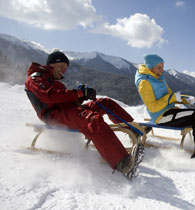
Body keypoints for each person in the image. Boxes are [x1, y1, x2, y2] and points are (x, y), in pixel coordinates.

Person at [25, 50, 144, 180]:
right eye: (62, 66)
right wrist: (79, 93)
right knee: (92, 120)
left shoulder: (53, 79)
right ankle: (122, 163)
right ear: (51, 65)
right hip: (53, 114)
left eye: (66, 68)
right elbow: (49, 96)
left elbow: (64, 98)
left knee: (106, 102)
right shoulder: (35, 78)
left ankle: (133, 130)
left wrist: (83, 95)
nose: (64, 70)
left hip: (67, 110)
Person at [135, 54, 195, 165]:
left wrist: (185, 99)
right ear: (150, 67)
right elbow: (152, 106)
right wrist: (172, 98)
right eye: (159, 67)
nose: (162, 70)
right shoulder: (144, 83)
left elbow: (170, 96)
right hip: (161, 116)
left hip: (170, 111)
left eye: (163, 67)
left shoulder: (159, 77)